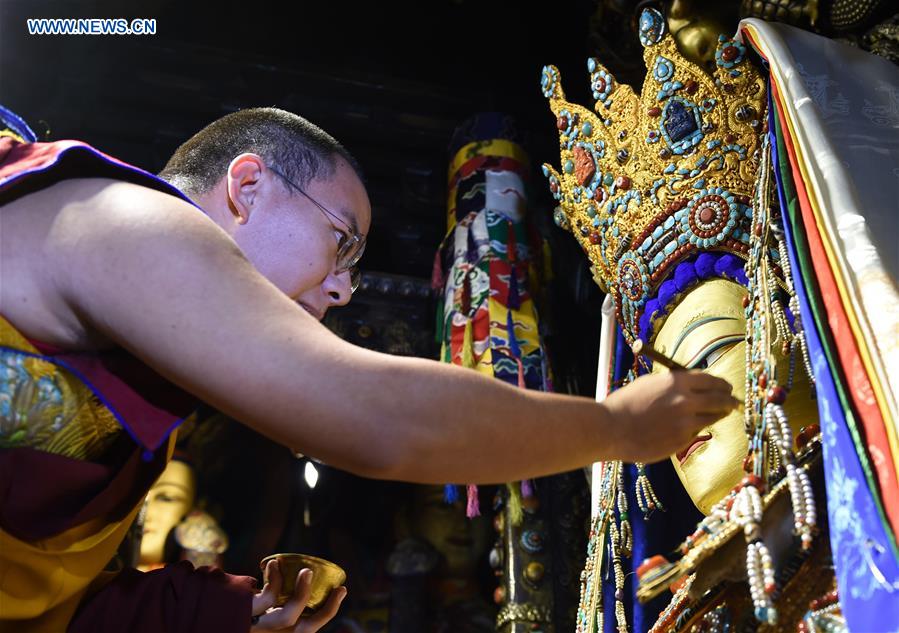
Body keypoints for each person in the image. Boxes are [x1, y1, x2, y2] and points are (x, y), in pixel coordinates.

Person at [0, 106, 737, 632]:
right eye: (342, 242)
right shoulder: (127, 219)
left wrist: (232, 609)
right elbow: (377, 416)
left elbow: (54, 608)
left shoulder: (140, 388)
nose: (344, 287)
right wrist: (614, 424)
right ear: (247, 185)